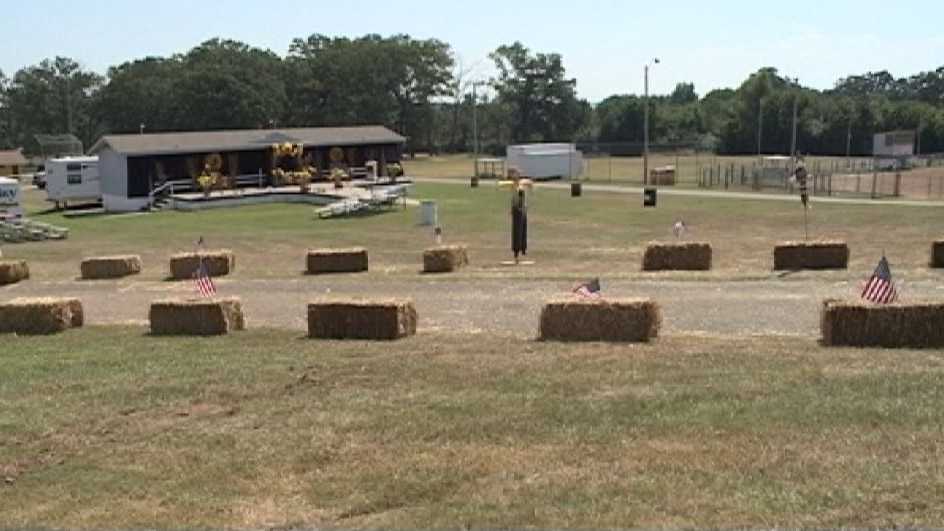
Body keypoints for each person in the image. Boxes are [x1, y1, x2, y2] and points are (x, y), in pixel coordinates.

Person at [511, 188, 527, 263]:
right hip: (518, 217)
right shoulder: (517, 200)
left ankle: (522, 250)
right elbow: (515, 207)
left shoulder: (519, 201)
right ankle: (517, 253)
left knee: (521, 234)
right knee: (517, 235)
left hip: (520, 216)